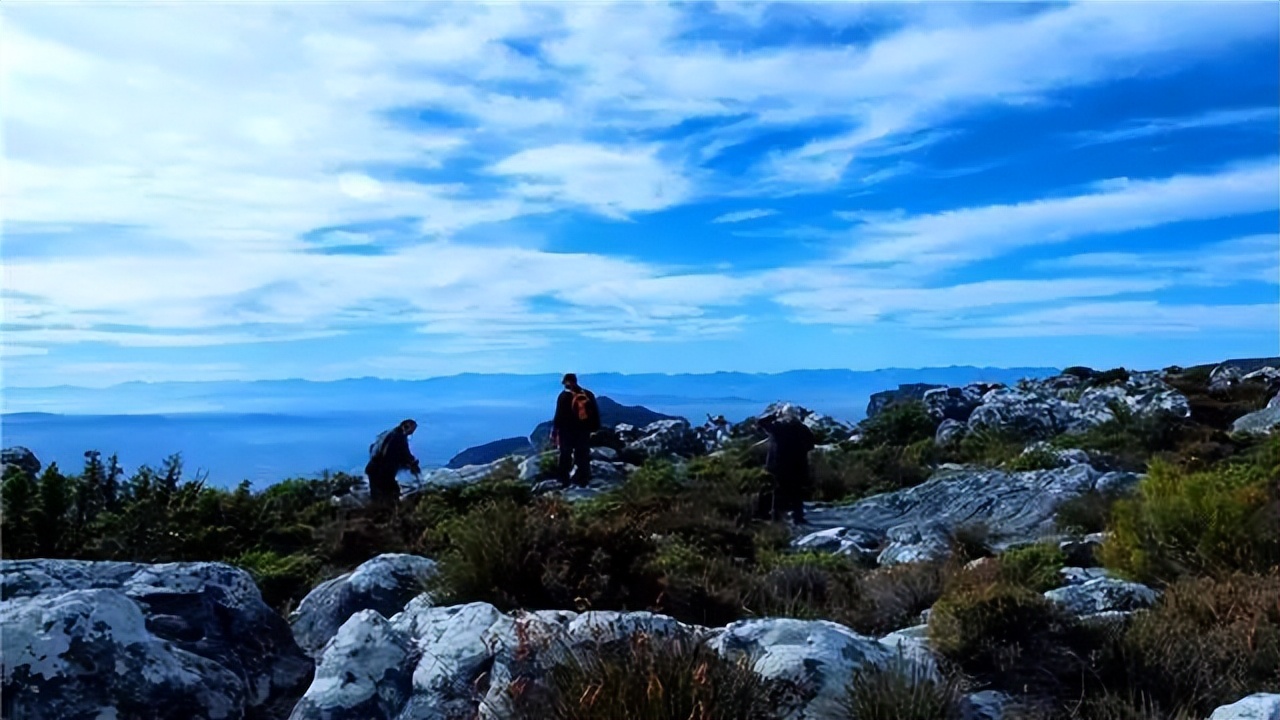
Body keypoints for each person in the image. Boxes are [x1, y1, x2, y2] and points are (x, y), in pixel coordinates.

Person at [757, 411, 816, 524]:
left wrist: (772, 415)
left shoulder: (777, 428)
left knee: (778, 492)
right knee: (796, 492)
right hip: (797, 466)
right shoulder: (803, 429)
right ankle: (798, 517)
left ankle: (776, 518)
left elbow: (761, 423)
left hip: (778, 466)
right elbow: (810, 445)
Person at [552, 373, 600, 487]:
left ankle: (563, 480)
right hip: (583, 430)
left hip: (566, 431)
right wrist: (594, 427)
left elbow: (558, 415)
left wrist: (555, 430)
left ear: (566, 382)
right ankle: (584, 479)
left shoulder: (563, 396)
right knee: (582, 454)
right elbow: (595, 413)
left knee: (565, 454)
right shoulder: (588, 394)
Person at [365, 419, 421, 507]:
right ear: (406, 426)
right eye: (412, 430)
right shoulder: (398, 437)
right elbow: (403, 453)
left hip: (373, 469)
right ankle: (389, 514)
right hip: (381, 471)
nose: (411, 433)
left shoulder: (389, 434)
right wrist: (411, 462)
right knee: (392, 493)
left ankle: (378, 513)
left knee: (377, 496)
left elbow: (373, 448)